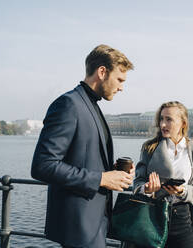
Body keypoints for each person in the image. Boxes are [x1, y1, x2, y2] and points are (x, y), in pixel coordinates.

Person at [31, 44, 134, 248]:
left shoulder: (89, 104)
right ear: (102, 72)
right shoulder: (69, 104)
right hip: (79, 227)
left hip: (93, 224)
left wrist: (112, 173)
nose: (122, 87)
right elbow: (42, 165)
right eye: (120, 80)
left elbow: (82, 159)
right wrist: (102, 178)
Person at [133, 101, 193, 248]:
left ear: (183, 123)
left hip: (182, 220)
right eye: (161, 119)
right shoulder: (149, 148)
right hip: (152, 219)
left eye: (169, 119)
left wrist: (183, 191)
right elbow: (138, 181)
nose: (163, 125)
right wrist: (147, 189)